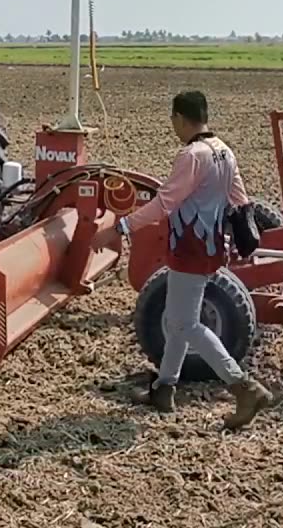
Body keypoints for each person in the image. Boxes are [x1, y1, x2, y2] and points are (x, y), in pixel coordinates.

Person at [117, 90, 274, 430]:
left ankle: (243, 387)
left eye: (173, 120)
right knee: (178, 320)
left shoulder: (192, 156)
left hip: (188, 246)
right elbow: (240, 200)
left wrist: (124, 225)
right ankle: (164, 388)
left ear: (179, 119)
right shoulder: (224, 151)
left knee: (186, 324)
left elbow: (164, 204)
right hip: (211, 246)